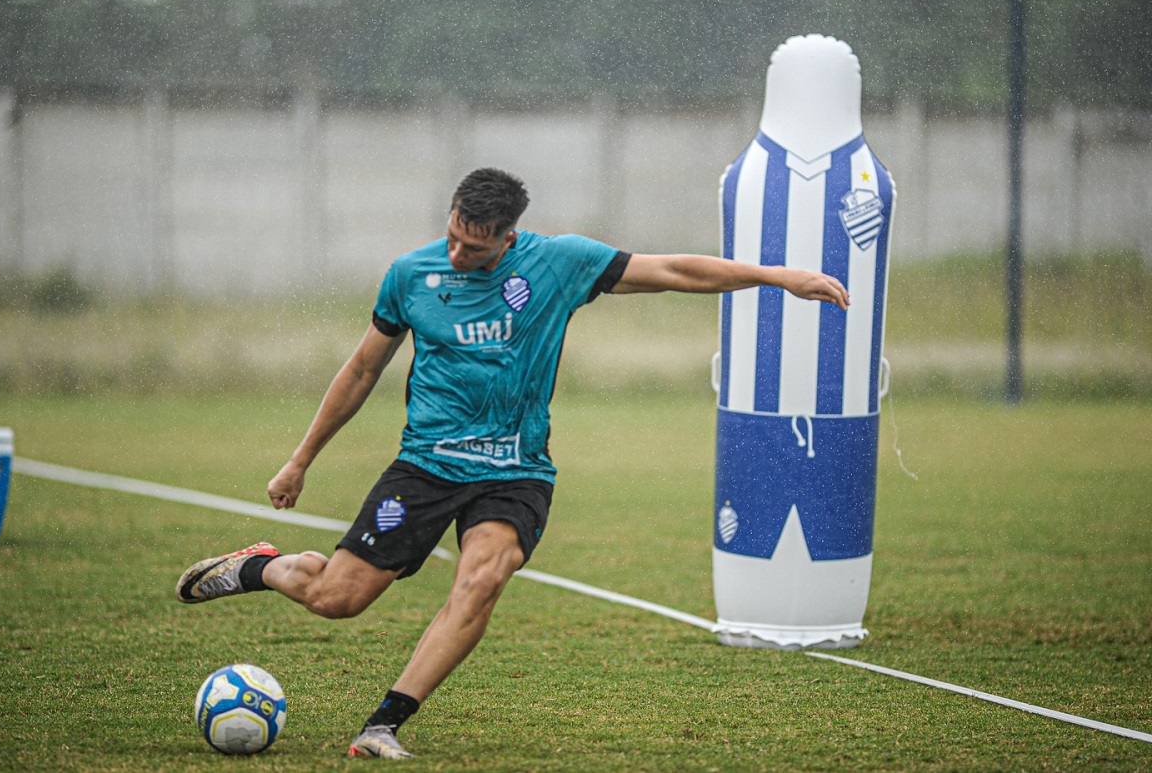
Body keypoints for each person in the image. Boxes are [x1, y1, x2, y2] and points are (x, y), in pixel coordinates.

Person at [176, 167, 850, 759]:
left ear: (507, 238)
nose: (457, 249)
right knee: (338, 597)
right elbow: (360, 370)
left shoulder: (559, 264)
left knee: (483, 577)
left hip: (516, 471)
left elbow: (674, 270)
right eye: (453, 234)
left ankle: (383, 723)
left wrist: (778, 278)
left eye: (474, 244)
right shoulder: (411, 275)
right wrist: (299, 461)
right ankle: (260, 566)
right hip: (426, 467)